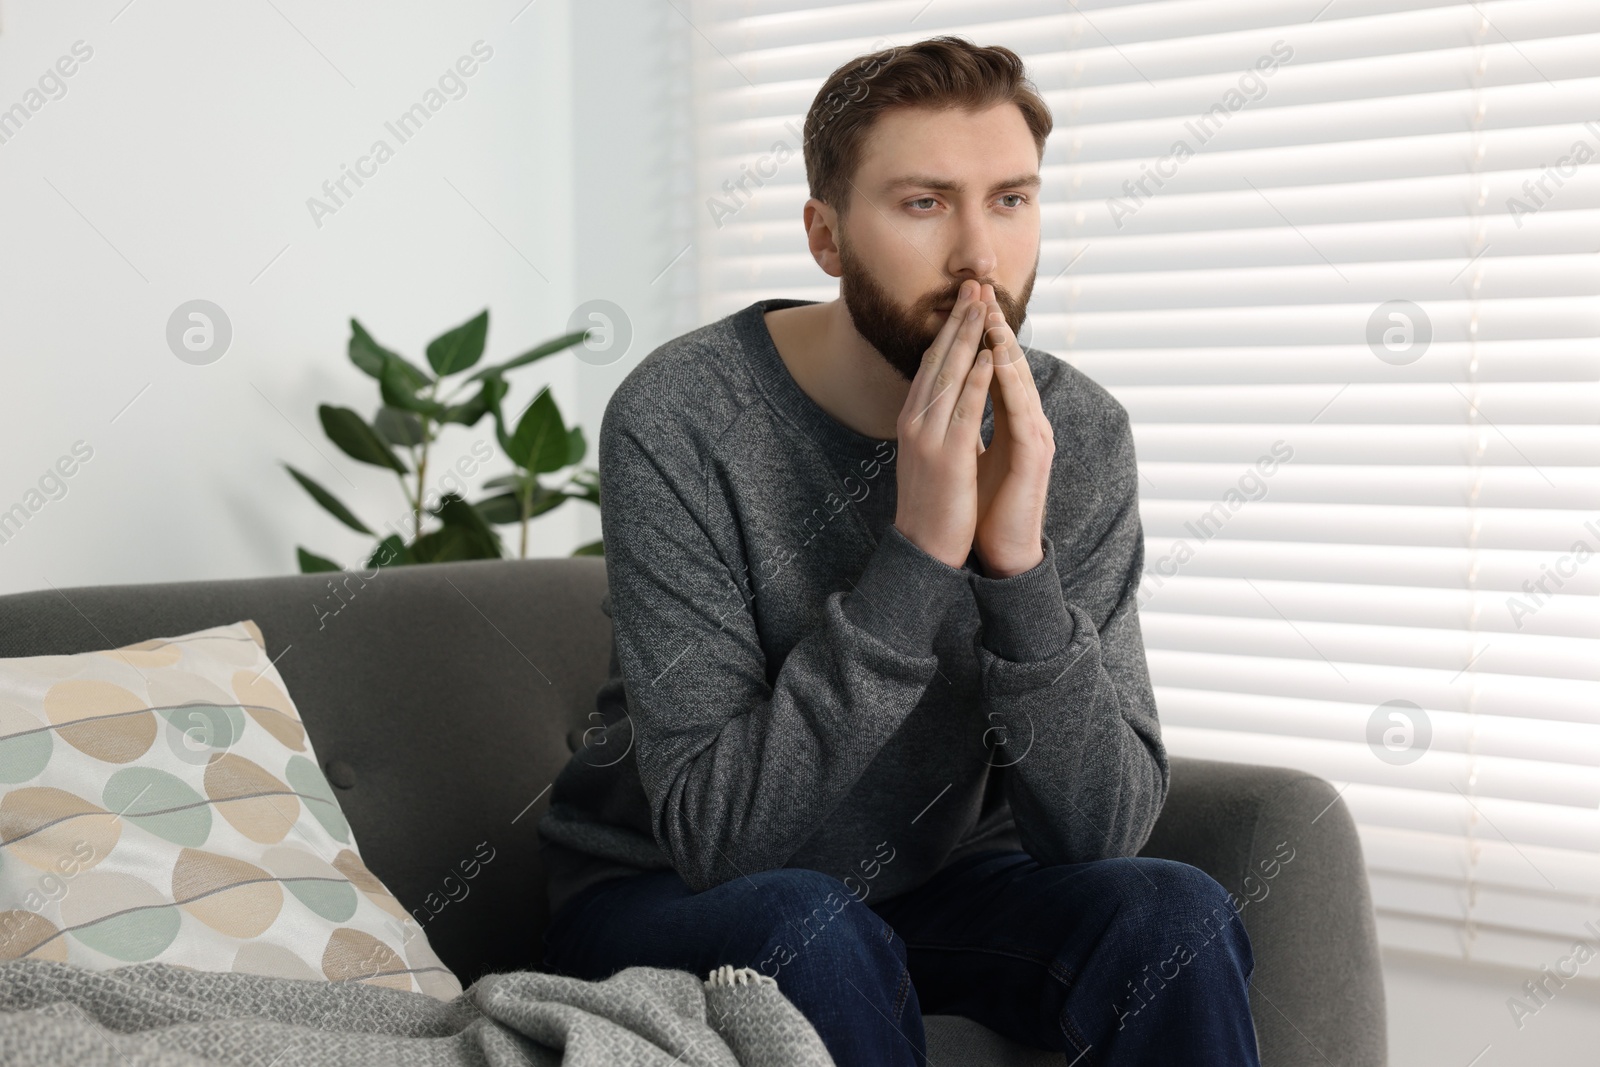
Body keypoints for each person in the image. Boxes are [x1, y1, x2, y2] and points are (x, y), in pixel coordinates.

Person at [537, 35, 1259, 1066]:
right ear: (826, 237)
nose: (979, 254)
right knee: (811, 924)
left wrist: (1017, 568)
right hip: (667, 897)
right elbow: (719, 838)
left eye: (1010, 199)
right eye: (923, 203)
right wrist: (918, 554)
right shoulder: (683, 415)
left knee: (1168, 911)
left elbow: (1099, 834)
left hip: (940, 885)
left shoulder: (1073, 431)